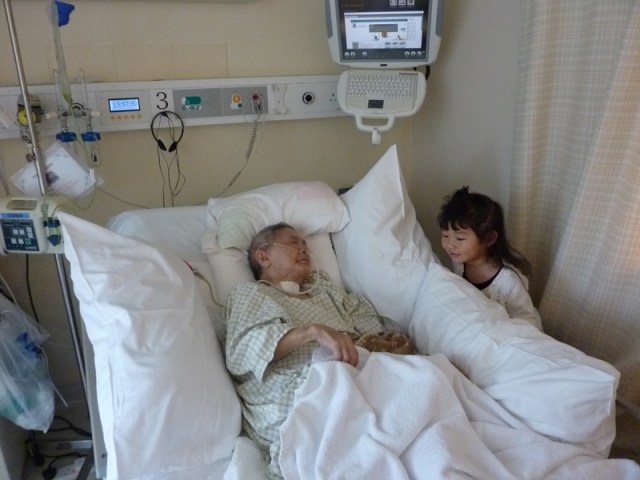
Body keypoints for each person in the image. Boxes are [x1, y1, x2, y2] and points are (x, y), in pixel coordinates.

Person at [223, 222, 388, 479]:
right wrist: (313, 332)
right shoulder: (252, 294)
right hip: (302, 392)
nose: (304, 249)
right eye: (293, 243)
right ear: (263, 257)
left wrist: (379, 347)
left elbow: (371, 328)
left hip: (358, 375)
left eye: (305, 245)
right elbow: (242, 353)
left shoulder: (327, 293)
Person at [437, 186, 542, 330]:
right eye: (445, 235)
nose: (450, 245)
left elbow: (528, 323)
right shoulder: (459, 263)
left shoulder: (508, 282)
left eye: (460, 238)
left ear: (489, 239)